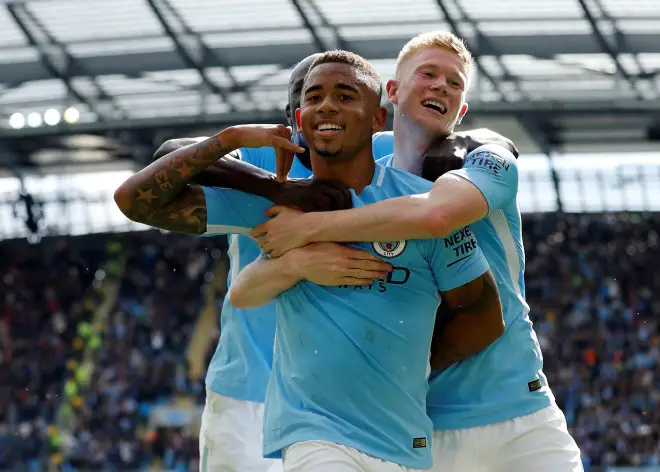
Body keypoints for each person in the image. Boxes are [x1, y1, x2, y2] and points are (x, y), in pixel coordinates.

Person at [114, 50, 504, 472]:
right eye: (307, 95)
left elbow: (469, 144)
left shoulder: (383, 158)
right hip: (250, 393)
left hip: (368, 409)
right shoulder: (269, 164)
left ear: (375, 117)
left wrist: (486, 143)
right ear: (292, 114)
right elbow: (166, 157)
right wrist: (276, 190)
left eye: (343, 94)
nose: (325, 106)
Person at [247, 32, 584, 472]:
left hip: (522, 413)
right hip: (424, 430)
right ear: (390, 93)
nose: (441, 85)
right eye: (428, 73)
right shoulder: (362, 184)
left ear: (461, 111)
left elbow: (435, 215)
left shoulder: (484, 160)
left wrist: (308, 227)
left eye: (454, 83)